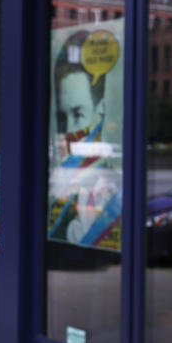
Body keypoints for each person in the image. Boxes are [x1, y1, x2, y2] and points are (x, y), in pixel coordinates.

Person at [48, 29, 122, 249]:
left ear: (100, 110)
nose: (69, 130)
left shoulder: (111, 192)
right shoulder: (58, 180)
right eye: (62, 117)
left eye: (78, 114)